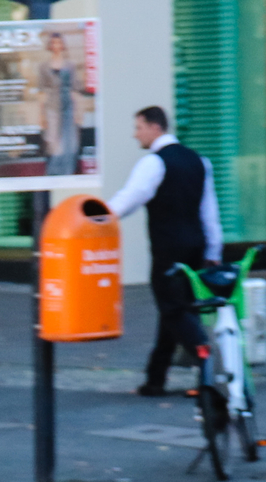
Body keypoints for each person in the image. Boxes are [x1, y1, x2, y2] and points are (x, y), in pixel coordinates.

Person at [103, 106, 222, 397]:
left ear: (155, 127)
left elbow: (131, 197)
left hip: (168, 247)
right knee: (172, 313)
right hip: (195, 246)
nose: (135, 134)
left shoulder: (154, 163)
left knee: (172, 310)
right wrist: (214, 249)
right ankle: (155, 380)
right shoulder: (199, 162)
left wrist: (101, 218)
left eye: (138, 127)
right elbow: (209, 211)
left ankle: (206, 363)